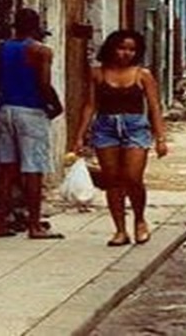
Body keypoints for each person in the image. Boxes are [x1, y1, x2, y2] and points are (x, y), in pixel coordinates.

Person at [73, 30, 169, 247]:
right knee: (112, 180)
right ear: (112, 48)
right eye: (122, 48)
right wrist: (79, 136)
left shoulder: (142, 75)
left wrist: (160, 138)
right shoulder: (98, 74)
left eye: (131, 49)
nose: (126, 53)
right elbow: (90, 105)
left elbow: (154, 107)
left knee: (133, 178)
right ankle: (120, 230)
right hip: (105, 129)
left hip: (135, 129)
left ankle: (140, 220)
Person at [0, 8, 63, 240]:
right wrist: (56, 106)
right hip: (31, 111)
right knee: (33, 168)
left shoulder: (0, 48)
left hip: (5, 109)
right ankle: (34, 225)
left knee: (4, 169)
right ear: (36, 27)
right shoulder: (40, 50)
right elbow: (44, 84)